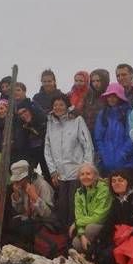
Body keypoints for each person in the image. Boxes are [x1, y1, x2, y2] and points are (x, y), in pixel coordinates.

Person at [44, 93, 94, 228]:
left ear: (67, 106)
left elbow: (87, 145)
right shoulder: (50, 123)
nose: (58, 107)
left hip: (77, 171)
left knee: (74, 205)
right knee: (62, 205)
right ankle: (62, 236)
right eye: (55, 105)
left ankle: (76, 233)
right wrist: (53, 171)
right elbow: (47, 148)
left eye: (61, 104)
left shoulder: (77, 120)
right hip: (60, 173)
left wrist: (86, 169)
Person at [7, 160, 55, 249]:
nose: (16, 183)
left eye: (18, 180)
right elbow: (20, 211)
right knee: (12, 224)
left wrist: (35, 197)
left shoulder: (43, 186)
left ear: (26, 177)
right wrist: (16, 197)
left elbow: (48, 214)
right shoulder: (22, 186)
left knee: (26, 229)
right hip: (30, 219)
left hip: (43, 222)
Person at [94, 83, 133, 176]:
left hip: (126, 164)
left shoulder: (128, 113)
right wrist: (103, 154)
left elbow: (132, 137)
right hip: (106, 164)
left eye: (114, 96)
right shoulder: (103, 114)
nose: (111, 99)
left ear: (120, 97)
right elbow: (98, 137)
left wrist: (123, 154)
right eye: (109, 96)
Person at [70, 162, 112, 253]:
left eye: (88, 174)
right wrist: (81, 234)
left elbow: (99, 217)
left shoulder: (104, 189)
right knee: (76, 243)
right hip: (86, 225)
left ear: (96, 176)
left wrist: (77, 223)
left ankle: (93, 256)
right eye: (82, 174)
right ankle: (87, 259)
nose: (85, 177)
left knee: (90, 229)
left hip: (104, 225)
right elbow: (79, 215)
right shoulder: (79, 193)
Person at [82, 69, 110, 136]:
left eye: (98, 81)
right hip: (88, 134)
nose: (95, 83)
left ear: (104, 81)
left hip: (105, 134)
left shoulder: (109, 96)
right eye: (93, 81)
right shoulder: (88, 96)